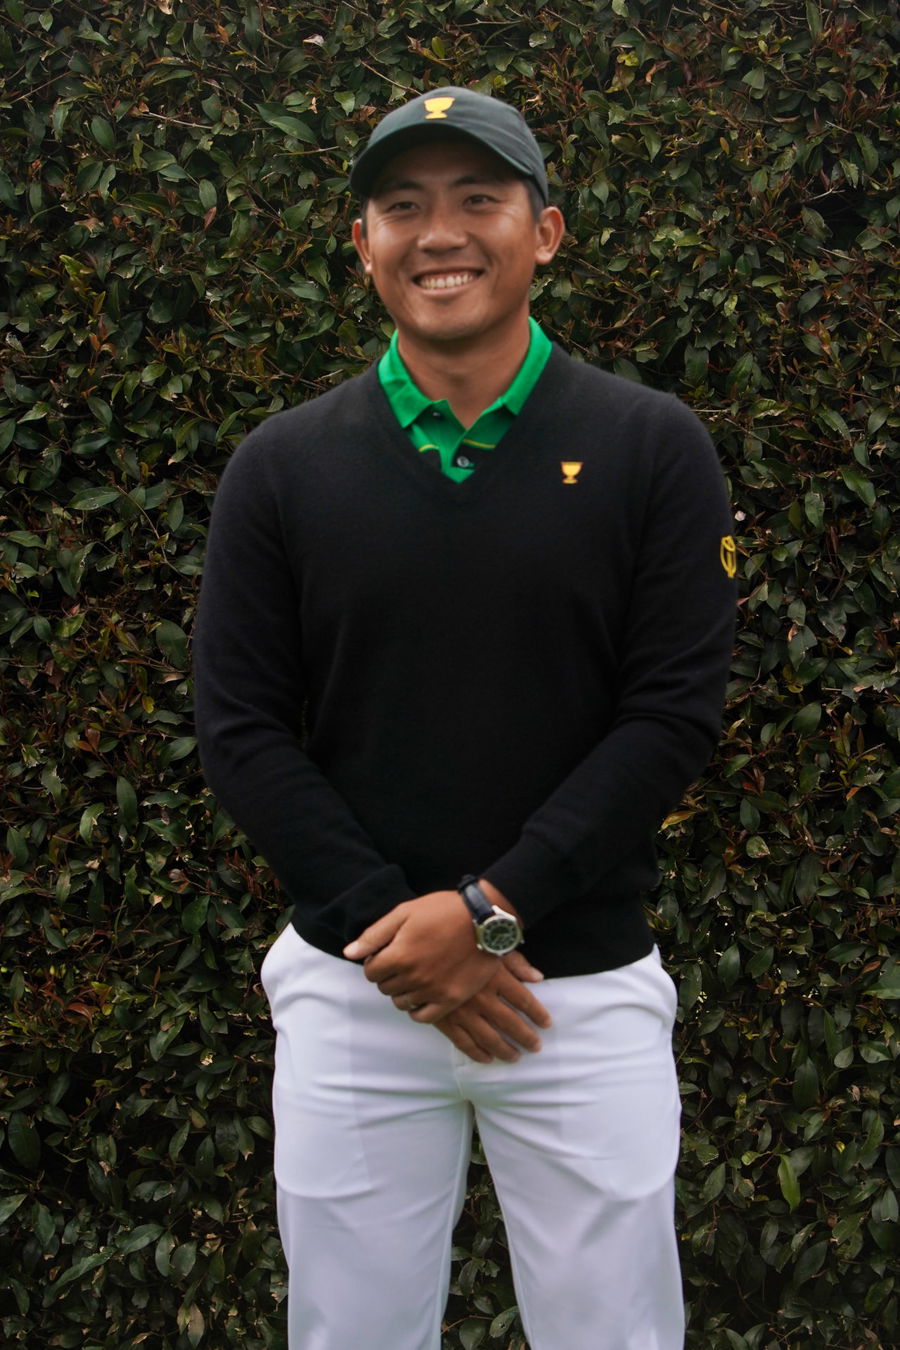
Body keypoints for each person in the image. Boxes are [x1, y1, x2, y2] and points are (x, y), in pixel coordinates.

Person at [194, 85, 737, 1350]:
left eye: (477, 199)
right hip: (356, 993)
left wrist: (491, 911)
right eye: (403, 207)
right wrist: (401, 940)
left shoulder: (653, 447)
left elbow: (670, 714)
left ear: (543, 232)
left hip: (576, 994)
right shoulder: (280, 466)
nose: (439, 233)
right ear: (364, 246)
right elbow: (242, 727)